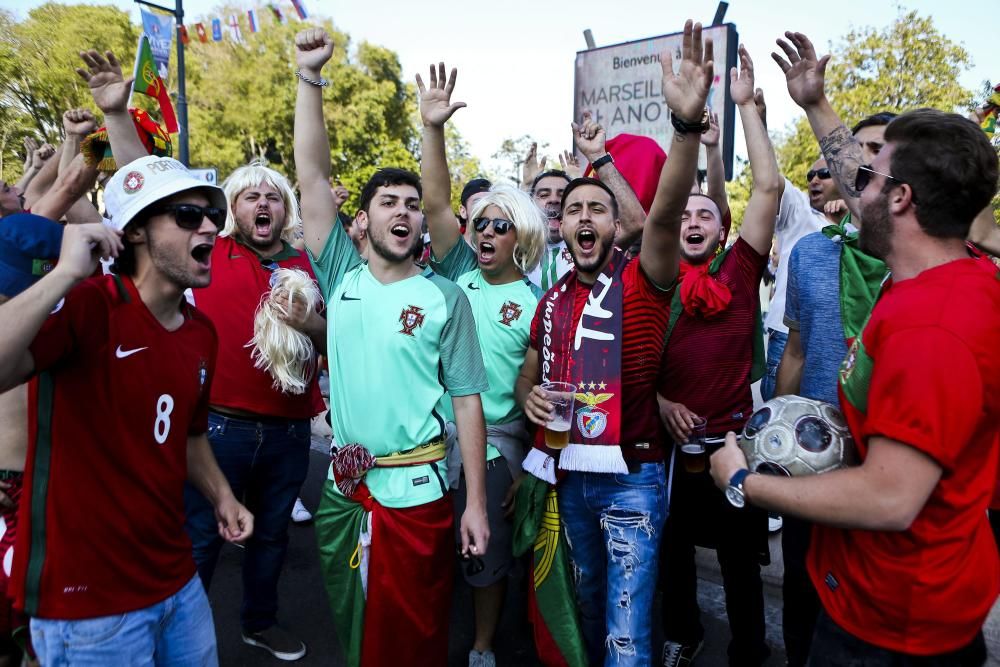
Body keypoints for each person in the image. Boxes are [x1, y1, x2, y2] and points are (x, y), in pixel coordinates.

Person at [710, 31, 1000, 666]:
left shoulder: (933, 325)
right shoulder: (939, 274)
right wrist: (815, 105)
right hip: (881, 600)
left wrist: (746, 482)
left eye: (869, 176)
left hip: (893, 624)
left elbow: (890, 499)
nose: (850, 185)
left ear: (899, 199)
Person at [516, 20, 725, 666]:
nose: (583, 216)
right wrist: (529, 400)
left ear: (617, 224)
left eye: (597, 207)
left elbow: (661, 217)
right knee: (584, 605)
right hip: (567, 476)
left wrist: (685, 129)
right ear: (562, 224)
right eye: (573, 208)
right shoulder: (550, 300)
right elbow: (529, 371)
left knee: (627, 630)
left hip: (632, 479)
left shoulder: (642, 281)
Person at [0, 152, 252, 666]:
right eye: (187, 216)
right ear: (136, 232)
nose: (209, 226)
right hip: (88, 605)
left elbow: (188, 435)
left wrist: (222, 496)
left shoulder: (200, 332)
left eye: (212, 217)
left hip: (176, 581)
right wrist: (64, 275)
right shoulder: (89, 305)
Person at [293, 29, 490, 667]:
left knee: (416, 637)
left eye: (411, 203)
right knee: (355, 631)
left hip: (419, 496)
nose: (403, 212)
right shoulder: (340, 276)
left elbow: (467, 404)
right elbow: (313, 176)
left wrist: (476, 505)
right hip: (344, 494)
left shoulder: (447, 298)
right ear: (368, 219)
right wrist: (309, 78)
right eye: (388, 203)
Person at [655, 43, 782, 667]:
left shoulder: (739, 268)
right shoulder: (651, 280)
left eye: (708, 213)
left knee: (737, 561)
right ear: (674, 223)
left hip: (733, 444)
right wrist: (659, 399)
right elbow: (629, 363)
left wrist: (745, 110)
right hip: (669, 449)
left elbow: (768, 185)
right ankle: (683, 633)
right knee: (673, 552)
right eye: (687, 212)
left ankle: (751, 652)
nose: (696, 219)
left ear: (723, 229)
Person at [417, 62, 546, 667]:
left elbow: (541, 387)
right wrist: (433, 129)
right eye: (479, 224)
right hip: (430, 441)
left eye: (499, 225)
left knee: (486, 557)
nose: (483, 231)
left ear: (520, 238)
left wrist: (530, 464)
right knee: (435, 551)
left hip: (497, 446)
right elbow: (437, 200)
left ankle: (483, 646)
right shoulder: (456, 275)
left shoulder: (537, 304)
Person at [183, 159, 326, 662]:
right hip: (219, 428)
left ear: (284, 209)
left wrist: (310, 325)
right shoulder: (210, 249)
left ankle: (258, 624)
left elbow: (338, 343)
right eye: (250, 196)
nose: (262, 203)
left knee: (271, 536)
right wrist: (117, 116)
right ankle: (181, 635)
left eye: (272, 196)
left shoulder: (309, 263)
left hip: (289, 433)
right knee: (202, 537)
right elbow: (143, 181)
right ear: (232, 207)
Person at [772, 112, 895, 667]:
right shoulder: (810, 252)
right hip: (813, 455)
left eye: (874, 154)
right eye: (853, 152)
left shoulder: (919, 264)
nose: (859, 167)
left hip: (885, 467)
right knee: (801, 589)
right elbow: (796, 349)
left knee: (875, 609)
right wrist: (774, 435)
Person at [525, 168, 573, 290]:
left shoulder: (591, 248)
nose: (554, 200)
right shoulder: (514, 249)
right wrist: (525, 186)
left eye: (563, 195)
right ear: (531, 203)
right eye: (544, 195)